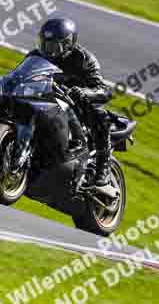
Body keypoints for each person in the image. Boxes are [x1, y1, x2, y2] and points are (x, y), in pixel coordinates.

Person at [30, 18, 117, 198]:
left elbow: (104, 90)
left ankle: (103, 172)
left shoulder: (84, 59)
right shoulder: (35, 56)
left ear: (68, 44)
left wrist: (84, 92)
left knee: (99, 114)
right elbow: (20, 76)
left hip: (76, 108)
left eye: (54, 46)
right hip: (46, 103)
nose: (48, 50)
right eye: (45, 44)